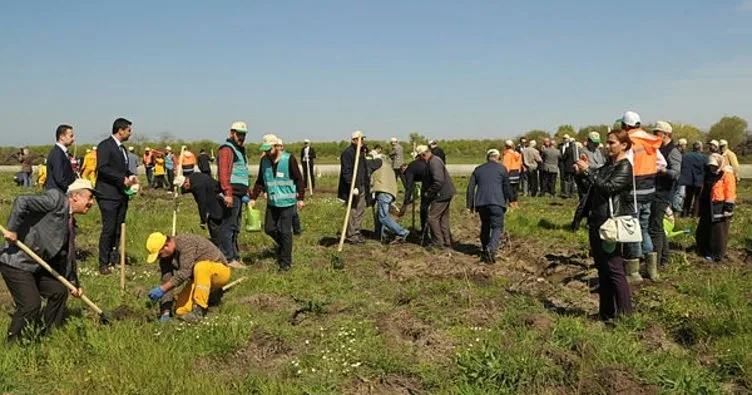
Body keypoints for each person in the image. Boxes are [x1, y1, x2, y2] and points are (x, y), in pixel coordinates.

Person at [0, 178, 95, 342]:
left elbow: (66, 256)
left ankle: (49, 333)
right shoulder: (56, 200)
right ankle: (13, 342)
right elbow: (22, 201)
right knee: (30, 304)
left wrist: (73, 283)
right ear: (75, 197)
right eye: (89, 198)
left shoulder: (70, 224)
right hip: (16, 261)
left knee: (58, 291)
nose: (92, 203)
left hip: (35, 265)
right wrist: (13, 229)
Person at [574, 129, 634, 320]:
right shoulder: (608, 165)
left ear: (623, 145)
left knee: (615, 269)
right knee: (603, 270)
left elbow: (608, 188)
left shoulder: (624, 167)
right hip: (597, 221)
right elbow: (592, 185)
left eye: (611, 143)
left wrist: (589, 171)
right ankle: (606, 313)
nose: (607, 146)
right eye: (607, 143)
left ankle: (626, 315)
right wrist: (580, 173)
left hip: (611, 224)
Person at [145, 232, 231, 323]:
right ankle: (210, 295)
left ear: (166, 246)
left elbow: (185, 273)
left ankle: (200, 309)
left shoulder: (186, 243)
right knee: (180, 310)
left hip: (220, 272)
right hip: (199, 279)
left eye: (159, 255)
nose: (159, 258)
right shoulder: (165, 258)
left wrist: (162, 289)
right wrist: (165, 311)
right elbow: (167, 282)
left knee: (201, 267)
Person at [250, 135, 305, 271]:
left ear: (276, 146)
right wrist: (253, 197)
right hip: (272, 202)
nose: (267, 152)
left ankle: (285, 263)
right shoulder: (264, 161)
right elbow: (260, 181)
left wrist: (300, 198)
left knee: (285, 231)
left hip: (287, 202)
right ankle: (284, 247)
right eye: (265, 150)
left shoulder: (288, 159)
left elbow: (299, 179)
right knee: (269, 228)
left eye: (269, 149)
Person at [620, 111, 662, 283]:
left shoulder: (630, 141)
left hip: (633, 193)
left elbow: (626, 164)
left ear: (625, 125)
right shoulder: (650, 140)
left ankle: (634, 272)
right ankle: (652, 270)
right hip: (649, 190)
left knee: (633, 230)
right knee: (643, 228)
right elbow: (662, 163)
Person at [95, 118, 137, 275]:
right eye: (128, 130)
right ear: (120, 130)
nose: (130, 133)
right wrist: (121, 179)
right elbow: (103, 168)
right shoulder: (105, 146)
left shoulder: (123, 149)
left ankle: (114, 259)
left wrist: (131, 177)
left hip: (120, 195)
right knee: (109, 228)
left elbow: (121, 170)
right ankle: (103, 263)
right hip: (107, 195)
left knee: (119, 228)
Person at [466, 149, 513, 263]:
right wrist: (511, 200)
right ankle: (491, 249)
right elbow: (506, 186)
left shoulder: (479, 169)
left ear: (487, 157)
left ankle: (484, 248)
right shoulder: (502, 169)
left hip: (482, 203)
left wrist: (470, 204)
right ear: (497, 158)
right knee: (497, 227)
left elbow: (470, 188)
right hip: (497, 202)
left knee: (485, 225)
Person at [648, 121, 682, 276]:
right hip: (656, 189)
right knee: (658, 225)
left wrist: (662, 171)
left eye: (657, 132)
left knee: (655, 227)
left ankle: (656, 261)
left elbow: (675, 173)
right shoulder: (659, 148)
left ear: (666, 134)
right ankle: (664, 257)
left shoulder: (673, 151)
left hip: (663, 192)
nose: (654, 135)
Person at [216, 121, 250, 267]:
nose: (241, 137)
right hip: (232, 194)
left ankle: (234, 255)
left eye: (243, 134)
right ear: (232, 133)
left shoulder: (239, 150)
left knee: (235, 226)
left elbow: (242, 172)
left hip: (239, 194)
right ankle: (227, 258)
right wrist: (228, 193)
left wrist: (247, 192)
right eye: (239, 134)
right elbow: (224, 173)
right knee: (228, 225)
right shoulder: (227, 149)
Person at [695, 154, 736, 262]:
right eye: (710, 165)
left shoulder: (727, 174)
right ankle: (703, 250)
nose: (712, 167)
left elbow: (730, 191)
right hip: (708, 205)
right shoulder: (708, 174)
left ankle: (717, 254)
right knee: (704, 229)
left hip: (720, 206)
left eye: (714, 165)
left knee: (718, 232)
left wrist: (728, 208)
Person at [369, 147, 409, 244]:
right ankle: (380, 236)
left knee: (383, 216)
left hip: (383, 192)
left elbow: (371, 180)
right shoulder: (387, 166)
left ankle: (402, 232)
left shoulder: (377, 165)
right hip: (390, 192)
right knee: (380, 214)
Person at [176, 172, 226, 248]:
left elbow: (202, 202)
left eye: (184, 187)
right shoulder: (193, 176)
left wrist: (203, 220)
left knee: (214, 225)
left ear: (186, 182)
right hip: (216, 195)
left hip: (215, 200)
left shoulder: (197, 185)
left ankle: (219, 246)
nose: (184, 189)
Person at [338, 130, 370, 244]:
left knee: (360, 210)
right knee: (353, 211)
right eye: (361, 139)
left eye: (363, 139)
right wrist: (352, 186)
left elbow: (363, 169)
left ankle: (356, 231)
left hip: (361, 185)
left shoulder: (361, 152)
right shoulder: (348, 153)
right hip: (353, 188)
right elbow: (346, 172)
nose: (363, 141)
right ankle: (351, 235)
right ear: (354, 140)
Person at [421, 144, 456, 249]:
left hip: (441, 194)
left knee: (432, 218)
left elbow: (438, 181)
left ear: (423, 154)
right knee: (443, 218)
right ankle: (447, 241)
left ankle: (437, 242)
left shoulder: (433, 162)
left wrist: (429, 193)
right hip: (447, 192)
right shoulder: (436, 159)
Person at [274, 139, 302, 235]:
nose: (278, 148)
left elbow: (298, 178)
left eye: (279, 146)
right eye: (276, 146)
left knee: (293, 214)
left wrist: (299, 194)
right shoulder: (271, 161)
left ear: (282, 147)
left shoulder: (288, 159)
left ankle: (297, 230)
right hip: (278, 196)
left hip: (290, 194)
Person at [398, 148, 429, 231]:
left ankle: (425, 232)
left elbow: (408, 188)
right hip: (433, 185)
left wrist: (405, 204)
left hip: (430, 187)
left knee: (424, 209)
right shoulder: (423, 161)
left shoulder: (409, 170)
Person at [44, 125, 76, 193]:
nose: (73, 139)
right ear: (62, 137)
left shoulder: (62, 153)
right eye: (71, 136)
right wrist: (71, 189)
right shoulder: (57, 154)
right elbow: (59, 177)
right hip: (57, 194)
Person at [502, 140, 522, 207]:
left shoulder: (507, 154)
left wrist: (504, 174)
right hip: (516, 173)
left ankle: (511, 203)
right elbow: (519, 164)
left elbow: (506, 165)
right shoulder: (517, 154)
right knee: (515, 190)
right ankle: (516, 203)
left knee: (509, 189)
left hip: (510, 173)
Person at [672, 139, 689, 212]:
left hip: (679, 176)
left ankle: (675, 206)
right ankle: (676, 207)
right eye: (685, 145)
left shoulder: (680, 154)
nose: (686, 147)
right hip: (677, 176)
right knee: (679, 193)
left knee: (678, 192)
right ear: (681, 145)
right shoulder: (677, 154)